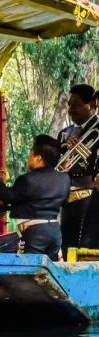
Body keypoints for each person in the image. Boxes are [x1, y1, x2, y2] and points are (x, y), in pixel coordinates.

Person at [0, 134, 71, 260]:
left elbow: (7, 196)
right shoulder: (65, 179)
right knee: (50, 271)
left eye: (30, 155)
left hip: (35, 233)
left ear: (38, 159)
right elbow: (62, 201)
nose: (28, 158)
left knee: (30, 271)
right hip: (54, 231)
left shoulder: (27, 180)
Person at [58, 84, 98, 258]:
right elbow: (56, 162)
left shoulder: (97, 129)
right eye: (69, 105)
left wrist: (82, 153)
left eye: (76, 104)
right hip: (68, 194)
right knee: (68, 241)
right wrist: (65, 149)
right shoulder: (64, 134)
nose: (70, 109)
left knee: (87, 244)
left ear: (91, 105)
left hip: (90, 193)